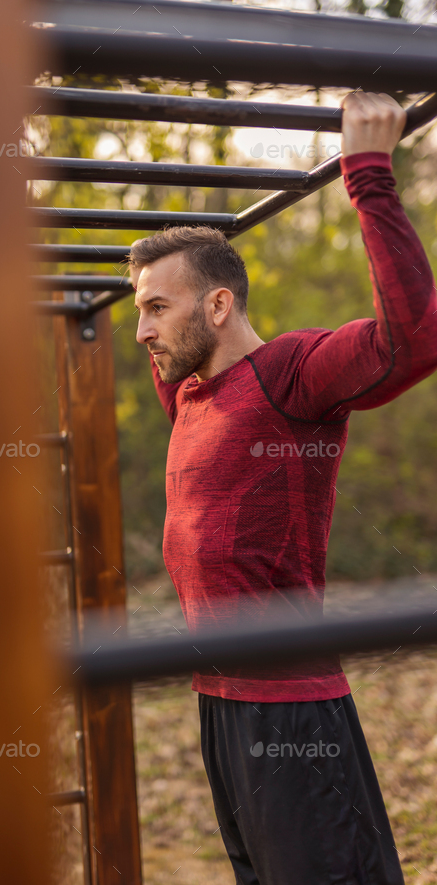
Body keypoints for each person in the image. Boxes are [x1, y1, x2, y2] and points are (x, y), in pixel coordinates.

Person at [129, 91, 437, 884]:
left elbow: (416, 340)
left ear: (221, 303)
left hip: (289, 707)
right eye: (139, 310)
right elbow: (168, 344)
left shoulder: (292, 375)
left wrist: (368, 172)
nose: (142, 331)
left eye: (157, 308)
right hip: (219, 701)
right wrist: (155, 291)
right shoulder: (189, 392)